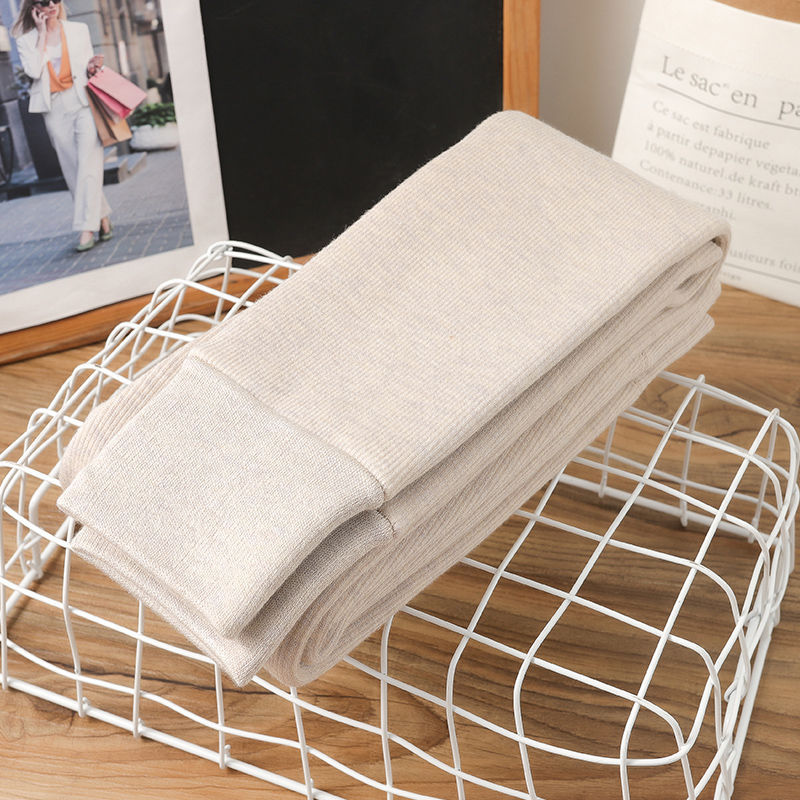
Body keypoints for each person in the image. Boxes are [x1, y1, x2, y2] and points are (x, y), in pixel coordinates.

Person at [13, 0, 112, 252]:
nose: (52, 5)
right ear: (34, 8)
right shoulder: (26, 40)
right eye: (44, 2)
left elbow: (87, 68)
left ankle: (86, 229)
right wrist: (41, 33)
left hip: (83, 102)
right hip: (54, 108)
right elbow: (34, 72)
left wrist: (92, 67)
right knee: (73, 168)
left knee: (89, 163)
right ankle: (102, 218)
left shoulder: (79, 30)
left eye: (55, 0)